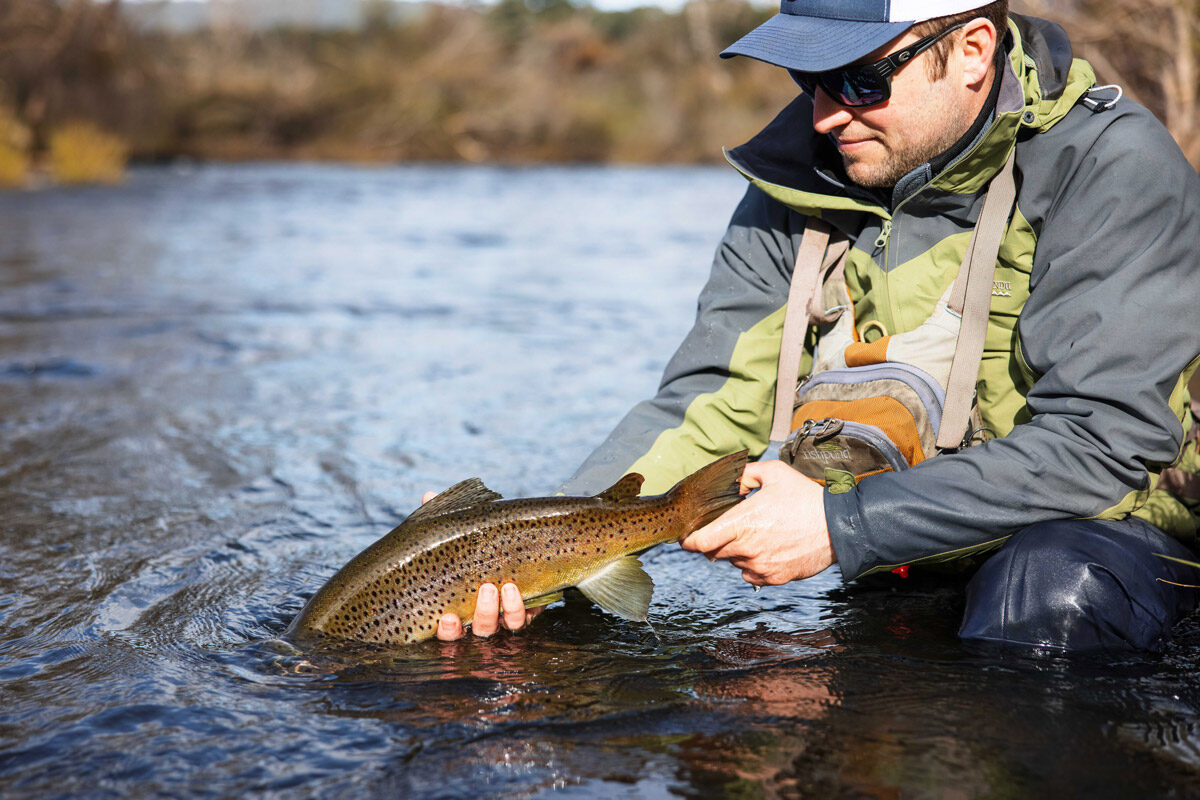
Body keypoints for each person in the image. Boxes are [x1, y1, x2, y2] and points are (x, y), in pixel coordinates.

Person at [436, 0, 1200, 651]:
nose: (828, 113)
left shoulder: (1111, 168)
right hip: (902, 548)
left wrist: (843, 526)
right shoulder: (796, 179)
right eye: (811, 80)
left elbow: (1103, 443)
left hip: (1105, 534)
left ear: (972, 52)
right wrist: (532, 557)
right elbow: (716, 400)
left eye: (862, 80)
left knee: (1046, 588)